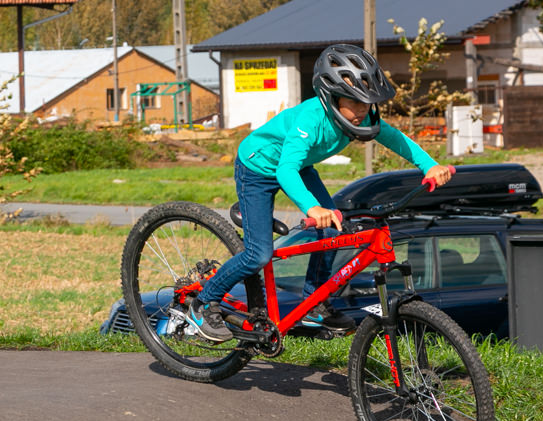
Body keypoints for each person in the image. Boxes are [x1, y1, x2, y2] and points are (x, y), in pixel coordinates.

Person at [188, 43, 452, 342]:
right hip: (258, 169)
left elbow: (395, 138)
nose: (364, 110)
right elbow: (284, 170)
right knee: (258, 254)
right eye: (356, 102)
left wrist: (428, 165)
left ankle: (314, 304)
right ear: (332, 97)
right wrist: (312, 208)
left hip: (300, 167)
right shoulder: (311, 119)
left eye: (368, 103)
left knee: (333, 232)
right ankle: (203, 303)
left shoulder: (360, 118)